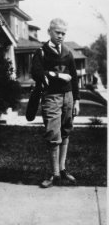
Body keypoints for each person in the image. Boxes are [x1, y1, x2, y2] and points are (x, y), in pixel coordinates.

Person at [31, 18, 80, 188]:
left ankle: (63, 169)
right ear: (49, 32)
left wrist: (77, 100)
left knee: (66, 131)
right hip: (51, 97)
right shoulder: (42, 52)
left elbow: (74, 78)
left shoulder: (67, 52)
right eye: (58, 32)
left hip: (68, 96)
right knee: (53, 134)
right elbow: (36, 72)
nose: (61, 36)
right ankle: (55, 175)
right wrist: (57, 75)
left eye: (63, 33)